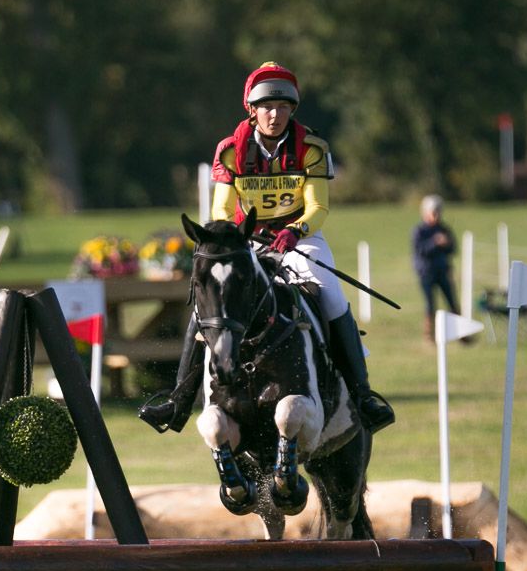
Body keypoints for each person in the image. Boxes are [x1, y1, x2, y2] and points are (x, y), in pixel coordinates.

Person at [138, 62, 395, 435]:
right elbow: (221, 210)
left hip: (300, 238)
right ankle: (178, 401)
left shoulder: (312, 149)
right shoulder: (230, 151)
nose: (275, 115)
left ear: (293, 110)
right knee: (206, 306)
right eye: (267, 108)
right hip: (246, 242)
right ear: (252, 110)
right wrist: (234, 237)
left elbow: (318, 206)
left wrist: (295, 230)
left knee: (332, 297)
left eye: (283, 107)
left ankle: (362, 395)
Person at [411, 194, 460, 342]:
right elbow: (420, 250)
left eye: (439, 212)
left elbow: (453, 249)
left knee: (452, 302)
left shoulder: (444, 229)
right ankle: (429, 335)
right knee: (430, 305)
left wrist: (447, 243)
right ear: (425, 212)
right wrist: (435, 243)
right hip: (426, 273)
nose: (437, 216)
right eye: (434, 212)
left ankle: (460, 333)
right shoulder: (419, 230)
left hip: (443, 271)